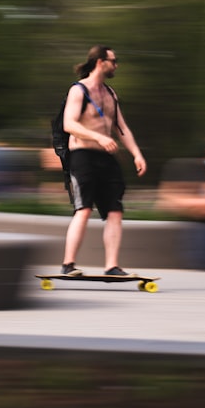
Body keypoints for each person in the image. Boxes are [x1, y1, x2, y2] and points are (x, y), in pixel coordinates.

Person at [59, 45, 147, 277]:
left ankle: (111, 266)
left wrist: (136, 153)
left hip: (106, 158)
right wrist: (98, 136)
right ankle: (68, 264)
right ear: (100, 62)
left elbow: (122, 128)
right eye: (113, 60)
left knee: (115, 211)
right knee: (84, 209)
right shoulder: (78, 91)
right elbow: (69, 124)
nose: (116, 65)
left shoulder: (110, 94)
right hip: (82, 156)